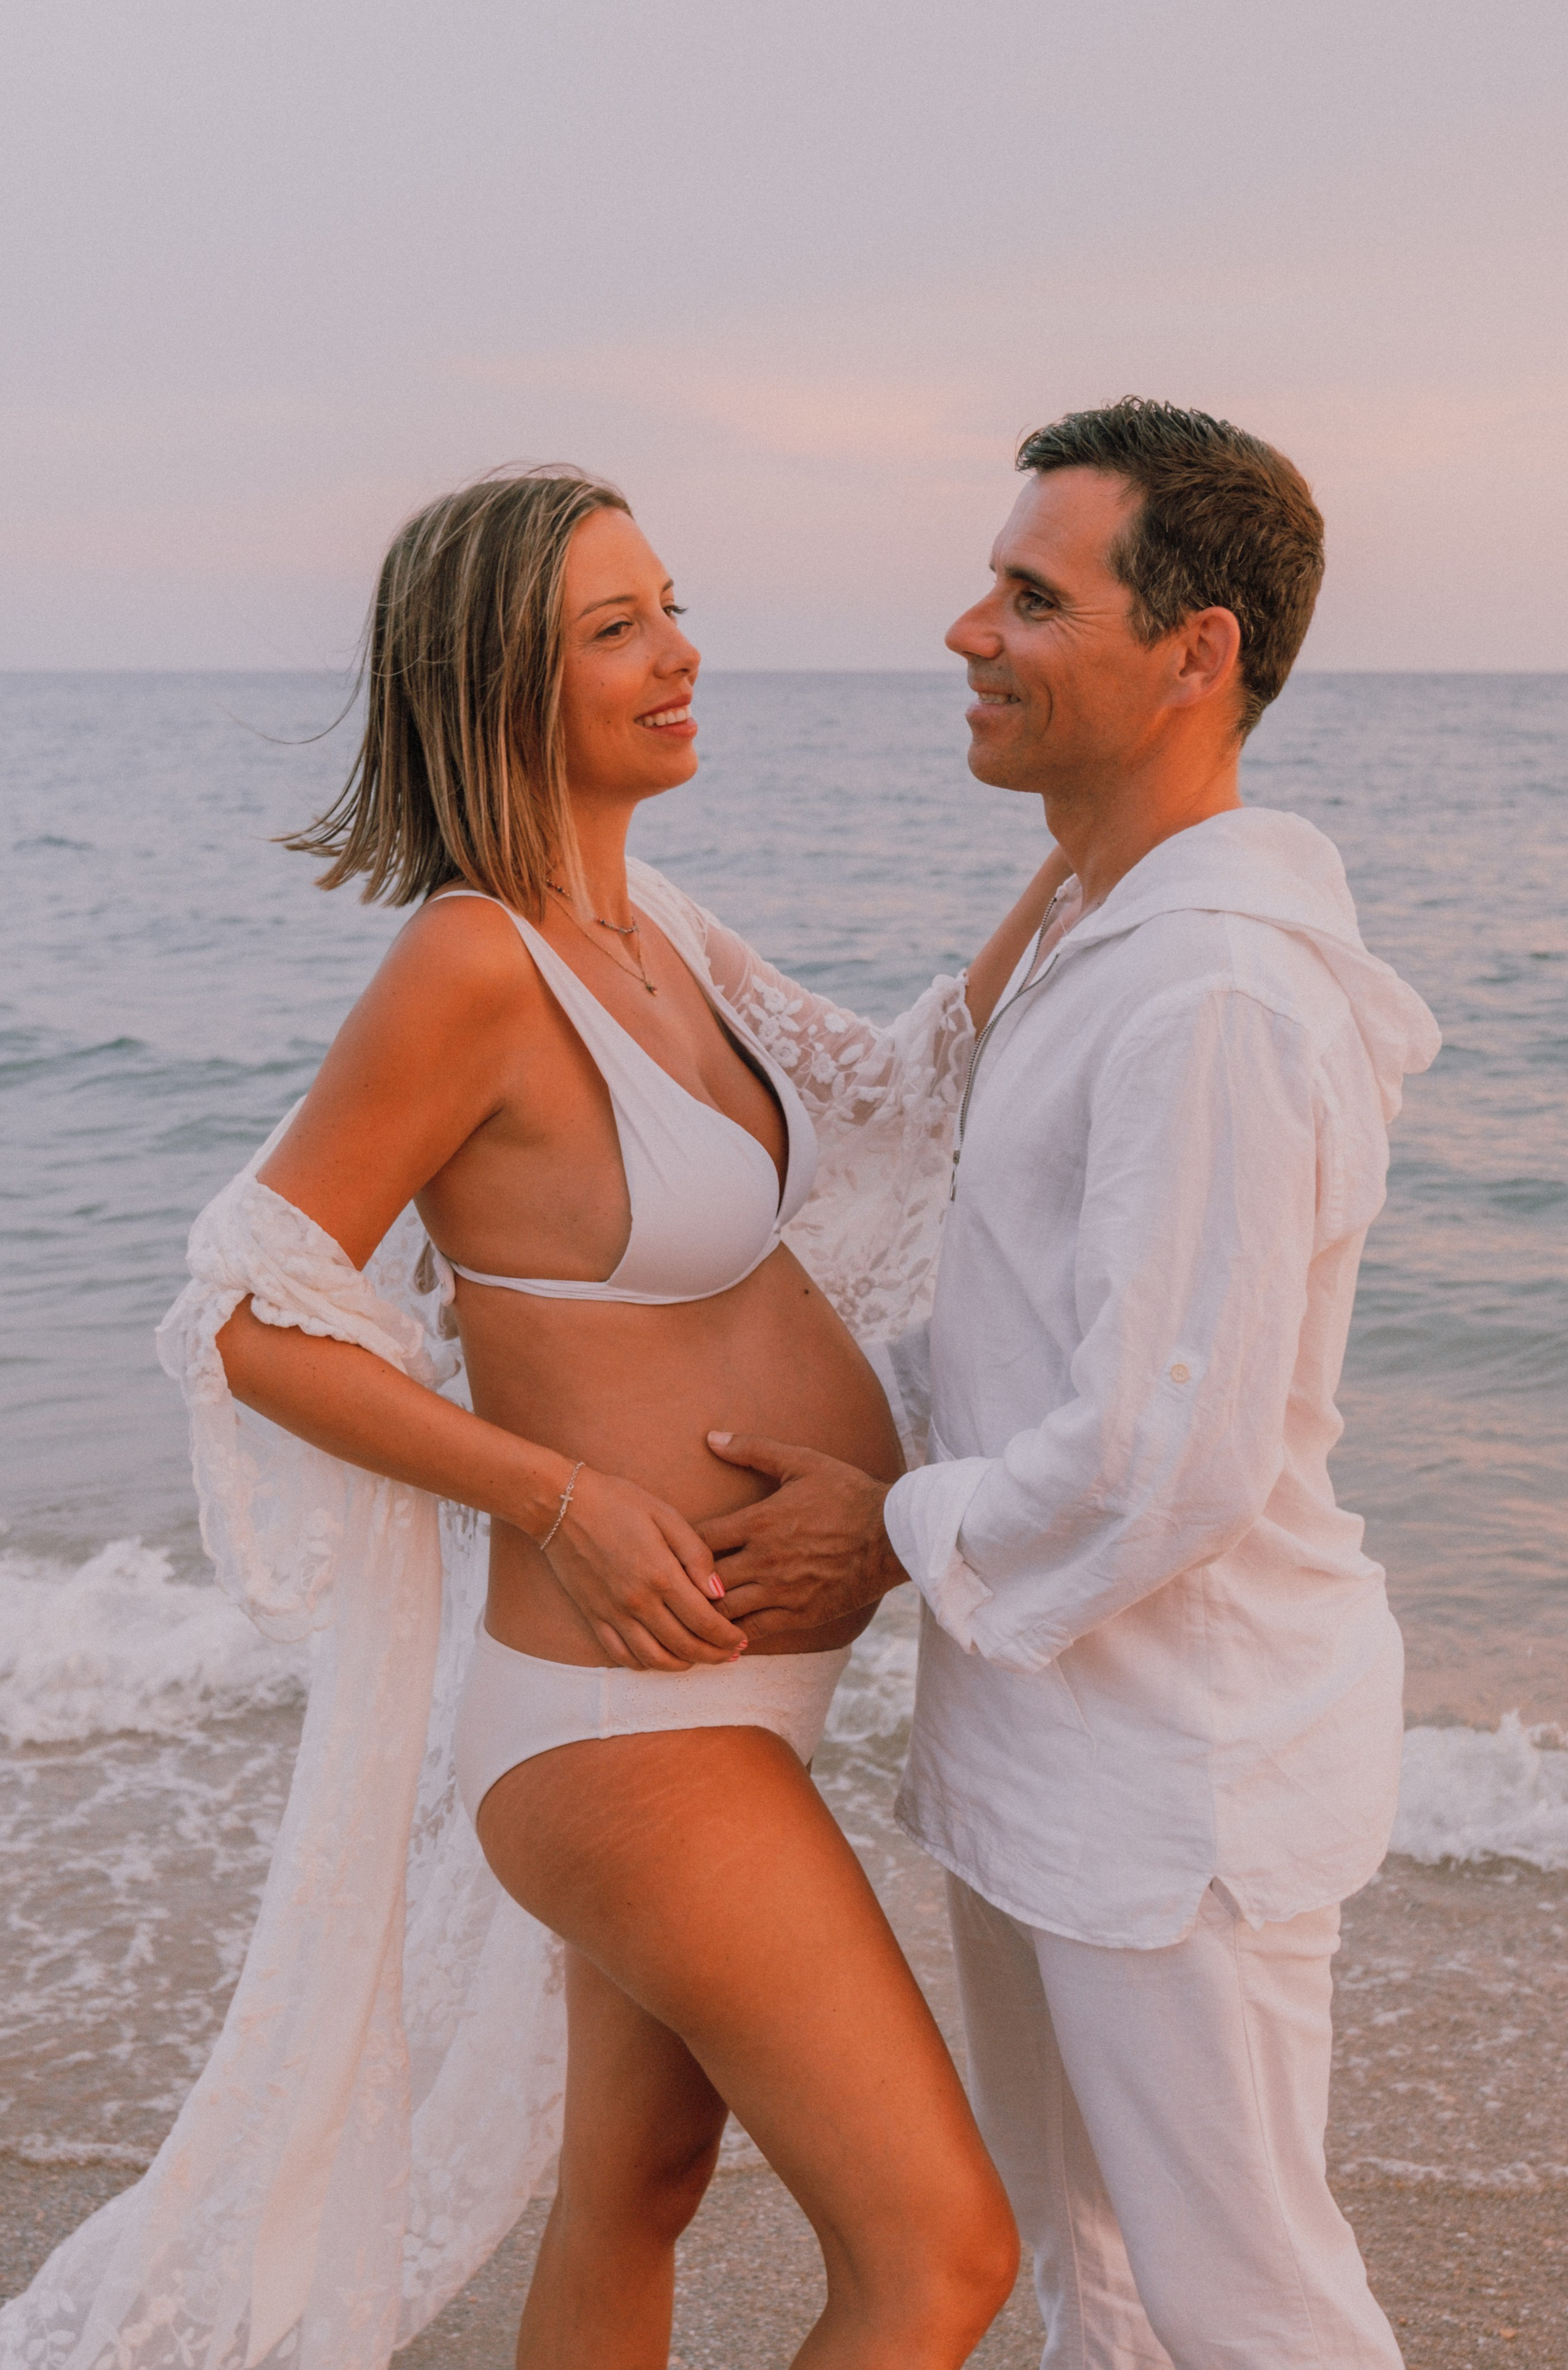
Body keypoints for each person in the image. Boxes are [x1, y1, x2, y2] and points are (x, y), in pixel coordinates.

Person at [0, 466, 1057, 2370]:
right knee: (945, 2253)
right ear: (499, 685)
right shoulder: (474, 964)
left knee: (635, 2184)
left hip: (727, 1696)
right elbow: (244, 1312)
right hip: (617, 1719)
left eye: (670, 603)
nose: (682, 653)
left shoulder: (672, 938)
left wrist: (1102, 832)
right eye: (615, 628)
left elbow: (901, 1110)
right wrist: (557, 1496)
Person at [696, 399, 1441, 2369]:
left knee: (1248, 2298)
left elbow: (1158, 1456)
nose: (969, 630)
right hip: (1055, 1742)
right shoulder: (1106, 937)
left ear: (1196, 654)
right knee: (1090, 2270)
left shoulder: (1215, 993)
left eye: (1035, 595)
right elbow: (1016, 1317)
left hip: (1176, 1774)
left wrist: (885, 1526)